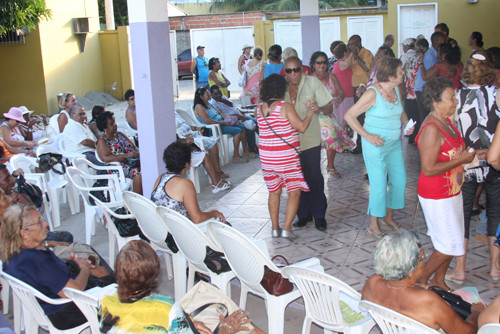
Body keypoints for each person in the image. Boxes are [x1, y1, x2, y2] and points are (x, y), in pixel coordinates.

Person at [100, 240, 256, 333]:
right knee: (235, 319)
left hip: (170, 321)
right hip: (171, 318)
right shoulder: (165, 308)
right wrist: (226, 328)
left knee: (208, 291)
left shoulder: (105, 297)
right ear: (154, 274)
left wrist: (186, 322)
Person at [415, 78, 475, 290]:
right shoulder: (431, 128)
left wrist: (473, 155)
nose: (456, 102)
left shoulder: (447, 121)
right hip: (436, 194)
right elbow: (428, 168)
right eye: (451, 98)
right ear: (435, 101)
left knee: (452, 241)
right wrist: (462, 160)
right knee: (448, 245)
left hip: (451, 191)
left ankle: (439, 281)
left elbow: (451, 154)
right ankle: (421, 282)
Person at [362, 230, 485, 334]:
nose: (424, 263)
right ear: (410, 271)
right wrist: (476, 313)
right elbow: (466, 332)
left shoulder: (372, 283)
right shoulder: (428, 300)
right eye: (421, 259)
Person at [0, 204, 99, 330]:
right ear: (24, 233)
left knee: (100, 271)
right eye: (39, 222)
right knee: (114, 281)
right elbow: (75, 291)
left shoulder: (14, 255)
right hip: (70, 311)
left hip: (52, 306)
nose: (45, 223)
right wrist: (84, 268)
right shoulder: (37, 261)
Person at [345, 57, 414, 239]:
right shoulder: (372, 93)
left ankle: (388, 219)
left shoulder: (396, 90)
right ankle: (373, 225)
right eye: (401, 72)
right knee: (379, 185)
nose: (404, 74)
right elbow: (349, 116)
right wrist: (367, 136)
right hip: (374, 146)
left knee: (399, 181)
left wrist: (407, 124)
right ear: (391, 76)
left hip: (393, 145)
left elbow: (401, 113)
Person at [447, 53, 500, 283]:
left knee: (464, 214)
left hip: (467, 162)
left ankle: (459, 269)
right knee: (495, 212)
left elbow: (451, 130)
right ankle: (495, 268)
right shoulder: (497, 93)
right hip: (494, 160)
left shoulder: (457, 97)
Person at [256, 74, 315, 239]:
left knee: (274, 192)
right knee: (294, 192)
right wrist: (310, 112)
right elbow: (302, 127)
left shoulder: (258, 109)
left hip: (267, 159)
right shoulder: (285, 106)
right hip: (286, 158)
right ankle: (287, 228)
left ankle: (275, 229)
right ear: (282, 89)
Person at [284, 56, 333, 232]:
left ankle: (319, 215)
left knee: (313, 177)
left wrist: (318, 109)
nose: (293, 74)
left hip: (310, 139)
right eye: (289, 70)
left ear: (302, 69)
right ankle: (303, 215)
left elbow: (329, 107)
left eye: (296, 69)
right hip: (289, 142)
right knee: (297, 179)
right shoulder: (281, 87)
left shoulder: (312, 83)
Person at [151, 142, 227, 222]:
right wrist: (214, 213)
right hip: (176, 231)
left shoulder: (161, 177)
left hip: (159, 228)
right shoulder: (185, 184)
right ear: (187, 164)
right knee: (223, 224)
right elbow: (197, 218)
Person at [310, 51, 355, 178]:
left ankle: (330, 165)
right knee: (313, 143)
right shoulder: (309, 79)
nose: (322, 65)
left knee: (332, 136)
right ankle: (313, 168)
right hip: (313, 114)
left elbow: (342, 93)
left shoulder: (332, 77)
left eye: (324, 62)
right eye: (319, 62)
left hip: (328, 114)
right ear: (313, 64)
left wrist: (338, 99)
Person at [174, 111, 231, 193]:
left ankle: (217, 179)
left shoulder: (174, 112)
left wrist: (195, 129)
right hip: (181, 146)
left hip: (188, 139)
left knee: (204, 153)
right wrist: (186, 140)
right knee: (204, 155)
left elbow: (184, 126)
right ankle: (216, 183)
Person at [193, 87, 252, 163]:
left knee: (242, 127)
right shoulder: (199, 107)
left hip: (221, 124)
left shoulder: (208, 104)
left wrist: (230, 118)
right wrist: (223, 123)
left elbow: (220, 113)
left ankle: (245, 151)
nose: (209, 95)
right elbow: (208, 121)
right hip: (213, 128)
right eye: (207, 94)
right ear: (201, 96)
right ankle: (236, 156)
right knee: (237, 131)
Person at [96, 111, 142, 194]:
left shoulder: (120, 135)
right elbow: (105, 158)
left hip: (132, 162)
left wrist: (136, 153)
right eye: (111, 124)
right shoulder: (103, 141)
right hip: (119, 167)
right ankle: (138, 200)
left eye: (114, 122)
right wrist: (127, 155)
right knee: (138, 173)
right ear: (104, 128)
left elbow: (133, 147)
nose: (115, 125)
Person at [209, 85, 258, 153]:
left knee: (258, 122)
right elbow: (223, 116)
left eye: (219, 93)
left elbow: (232, 105)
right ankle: (252, 147)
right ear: (211, 94)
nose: (219, 95)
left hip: (240, 115)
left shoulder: (222, 97)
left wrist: (222, 100)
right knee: (250, 125)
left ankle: (264, 143)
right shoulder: (213, 104)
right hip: (234, 119)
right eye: (216, 94)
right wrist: (238, 116)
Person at [414, 31, 445, 130]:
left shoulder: (435, 55)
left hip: (426, 89)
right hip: (424, 89)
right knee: (426, 118)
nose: (444, 43)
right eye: (442, 41)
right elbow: (429, 77)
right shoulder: (430, 55)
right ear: (436, 41)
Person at [404, 38, 426, 145]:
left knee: (412, 116)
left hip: (409, 90)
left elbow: (404, 71)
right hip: (419, 90)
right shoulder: (424, 59)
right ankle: (420, 138)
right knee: (420, 116)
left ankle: (412, 138)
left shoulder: (410, 58)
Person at [332, 42, 354, 126]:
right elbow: (347, 63)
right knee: (342, 123)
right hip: (343, 97)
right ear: (345, 53)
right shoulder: (340, 64)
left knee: (344, 122)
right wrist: (353, 52)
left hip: (346, 96)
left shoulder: (340, 63)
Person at [347, 35, 374, 101]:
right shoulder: (352, 54)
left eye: (352, 44)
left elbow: (366, 68)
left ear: (358, 43)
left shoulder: (366, 53)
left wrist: (356, 56)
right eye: (349, 44)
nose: (350, 47)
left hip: (364, 87)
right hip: (355, 87)